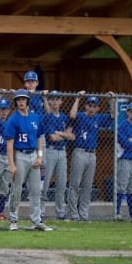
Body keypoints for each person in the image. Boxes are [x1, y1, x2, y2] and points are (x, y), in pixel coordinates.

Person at [4, 89, 51, 231]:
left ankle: (36, 220)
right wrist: (11, 164)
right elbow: (10, 144)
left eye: (23, 99)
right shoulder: (13, 119)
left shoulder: (35, 117)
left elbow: (39, 138)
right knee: (16, 189)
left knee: (36, 191)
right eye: (18, 100)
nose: (21, 102)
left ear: (27, 101)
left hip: (34, 155)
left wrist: (40, 156)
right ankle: (13, 220)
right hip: (20, 155)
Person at [67, 91, 115, 222]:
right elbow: (72, 115)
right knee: (75, 184)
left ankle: (84, 214)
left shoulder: (98, 118)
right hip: (79, 152)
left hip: (92, 154)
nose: (92, 108)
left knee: (87, 186)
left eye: (94, 106)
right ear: (86, 106)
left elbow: (113, 115)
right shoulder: (81, 116)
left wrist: (111, 101)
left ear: (98, 108)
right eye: (90, 105)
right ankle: (73, 214)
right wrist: (77, 98)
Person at [40, 90, 75, 221]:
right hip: (50, 151)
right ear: (49, 101)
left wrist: (61, 133)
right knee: (46, 182)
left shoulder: (64, 117)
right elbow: (53, 138)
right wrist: (63, 134)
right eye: (52, 99)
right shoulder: (47, 117)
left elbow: (71, 136)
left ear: (61, 101)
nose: (55, 101)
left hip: (62, 152)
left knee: (61, 183)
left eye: (57, 99)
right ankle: (41, 211)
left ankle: (60, 211)